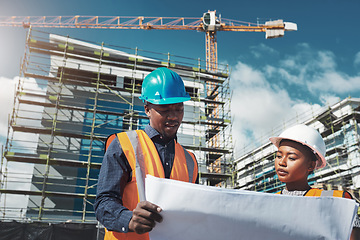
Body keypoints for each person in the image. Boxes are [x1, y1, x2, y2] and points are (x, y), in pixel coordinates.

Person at [94, 67, 199, 240]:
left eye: (179, 109)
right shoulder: (123, 145)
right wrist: (128, 219)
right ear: (147, 109)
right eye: (164, 109)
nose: (174, 117)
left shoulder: (190, 161)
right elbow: (103, 203)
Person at [269, 124, 360, 240]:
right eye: (278, 156)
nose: (281, 162)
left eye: (291, 158)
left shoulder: (337, 200)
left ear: (311, 165)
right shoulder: (269, 202)